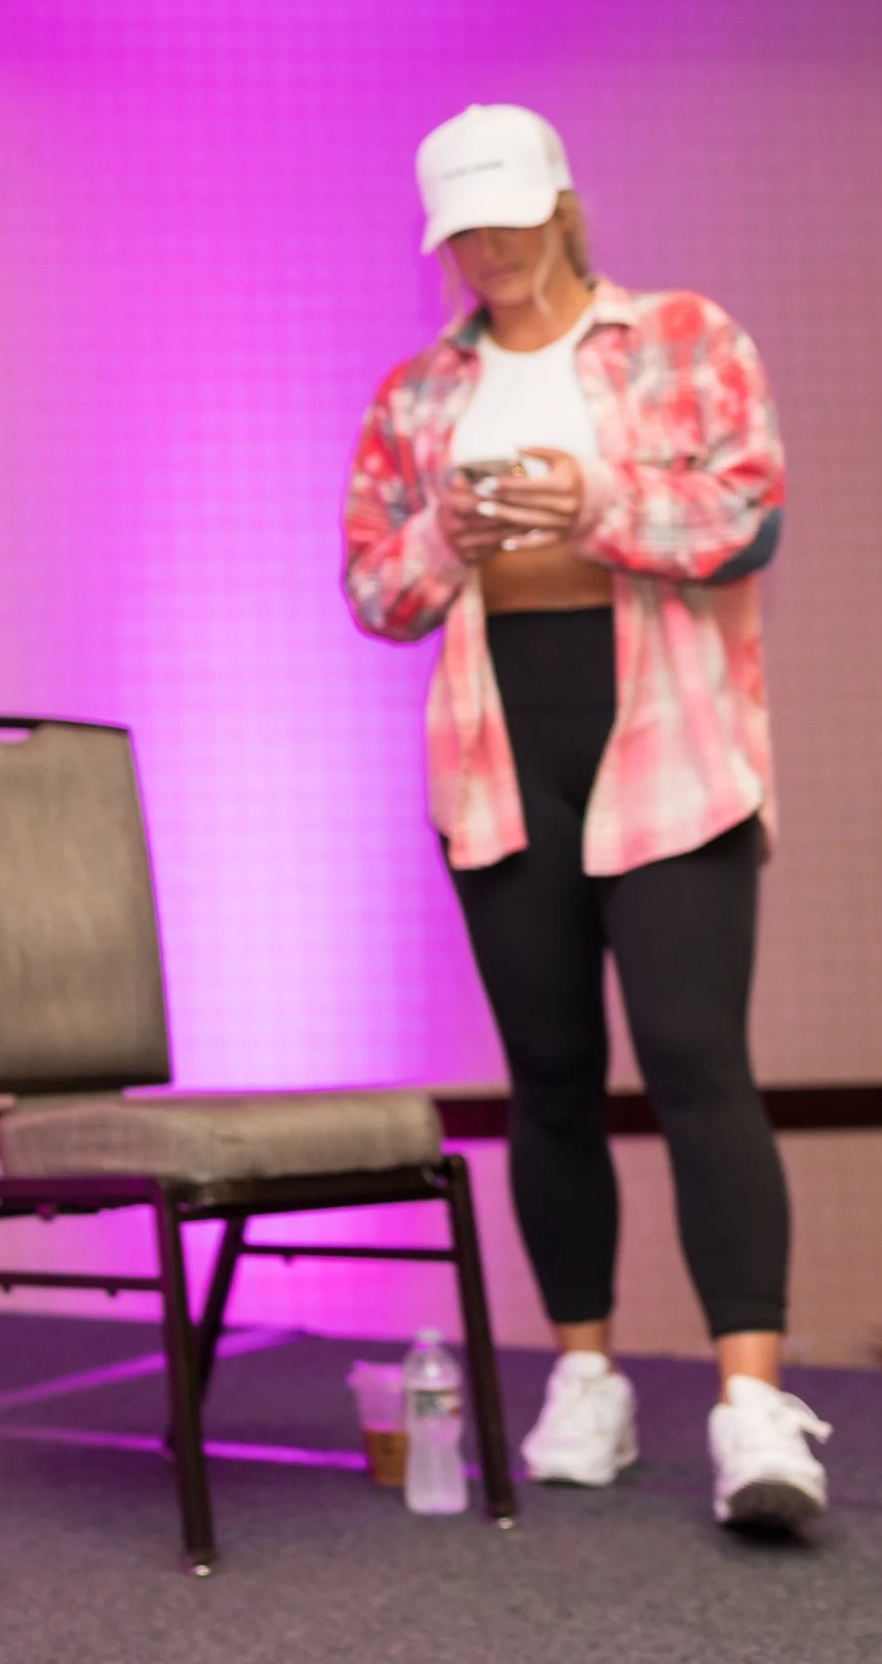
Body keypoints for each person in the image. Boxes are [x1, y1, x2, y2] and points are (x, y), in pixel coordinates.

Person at [343, 103, 830, 1531]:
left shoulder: (682, 334)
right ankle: (587, 1378)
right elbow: (376, 588)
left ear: (559, 200)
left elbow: (751, 516)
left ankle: (751, 1403)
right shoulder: (420, 391)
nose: (488, 247)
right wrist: (456, 533)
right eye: (462, 229)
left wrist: (594, 499)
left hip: (670, 737)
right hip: (502, 747)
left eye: (507, 213)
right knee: (548, 1073)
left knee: (695, 1058)